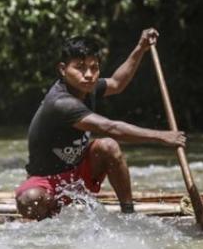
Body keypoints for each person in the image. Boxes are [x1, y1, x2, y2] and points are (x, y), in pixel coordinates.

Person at [15, 28, 185, 219]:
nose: (88, 74)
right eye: (80, 67)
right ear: (63, 69)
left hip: (77, 175)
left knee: (108, 147)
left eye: (94, 67)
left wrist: (140, 48)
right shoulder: (60, 103)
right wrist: (161, 137)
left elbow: (117, 83)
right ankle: (49, 220)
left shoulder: (88, 87)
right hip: (46, 182)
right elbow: (110, 127)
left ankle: (128, 214)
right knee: (31, 198)